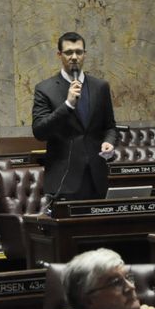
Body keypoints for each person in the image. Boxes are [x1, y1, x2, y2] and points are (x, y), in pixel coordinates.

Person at [32, 32, 117, 200]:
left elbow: (110, 127)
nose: (74, 57)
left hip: (96, 177)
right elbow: (39, 132)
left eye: (78, 52)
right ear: (59, 55)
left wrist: (109, 141)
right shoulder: (45, 89)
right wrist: (68, 105)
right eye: (68, 52)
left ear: (85, 54)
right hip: (63, 180)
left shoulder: (100, 87)